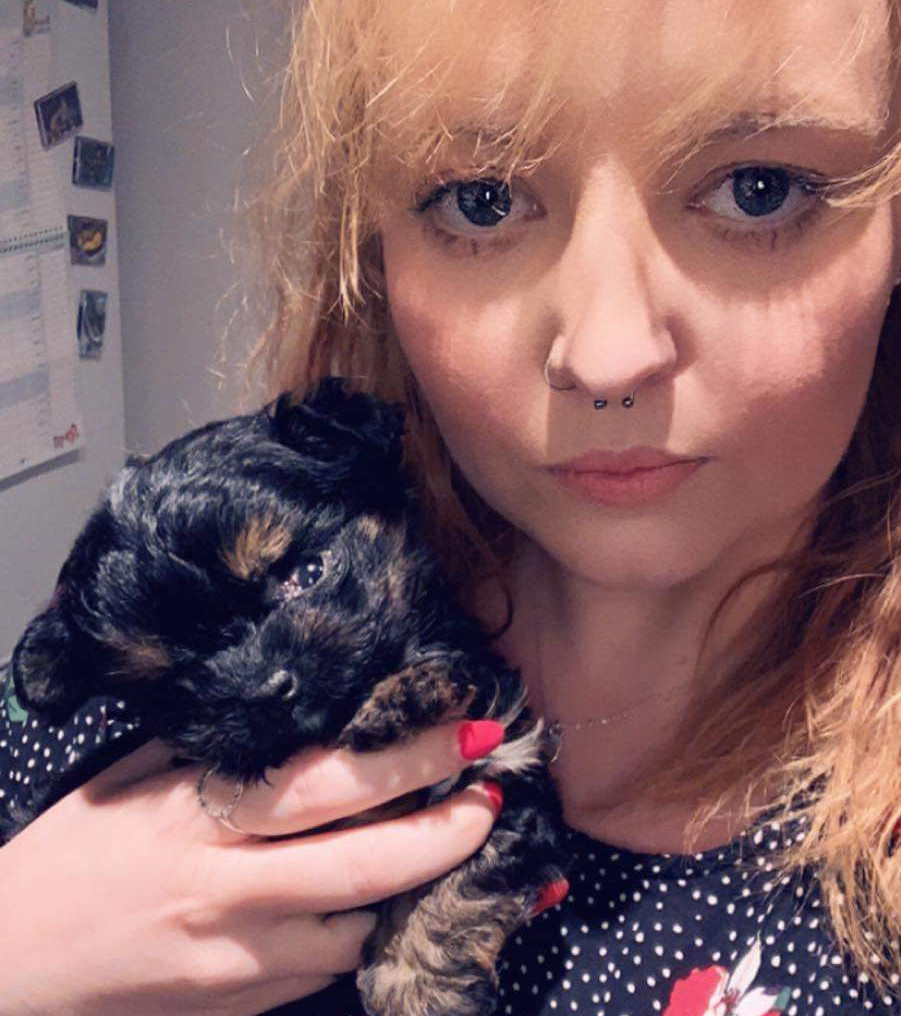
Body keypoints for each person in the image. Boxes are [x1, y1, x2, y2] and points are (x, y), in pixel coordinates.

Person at [1, 0, 899, 1013]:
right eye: (481, 199)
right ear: (374, 253)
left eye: (759, 188)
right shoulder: (165, 621)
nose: (607, 355)